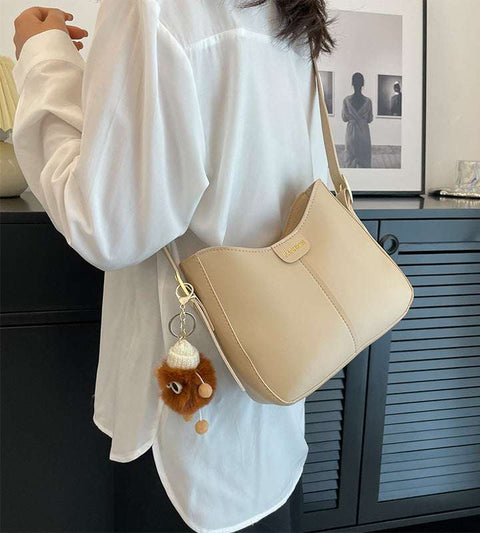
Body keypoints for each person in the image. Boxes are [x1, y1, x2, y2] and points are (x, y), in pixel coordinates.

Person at [11, 1, 336, 532]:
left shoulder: (151, 7)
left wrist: (44, 59)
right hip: (271, 418)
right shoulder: (284, 10)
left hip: (184, 441)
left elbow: (107, 226)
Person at [341, 72, 373, 168]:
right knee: (365, 160)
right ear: (363, 84)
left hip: (351, 132)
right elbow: (370, 119)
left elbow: (344, 118)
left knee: (349, 160)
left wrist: (353, 117)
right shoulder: (368, 101)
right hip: (364, 133)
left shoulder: (346, 100)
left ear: (352, 84)